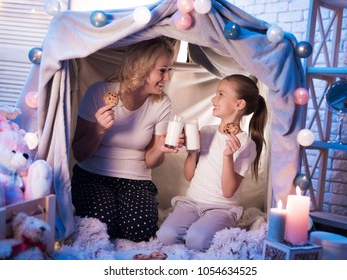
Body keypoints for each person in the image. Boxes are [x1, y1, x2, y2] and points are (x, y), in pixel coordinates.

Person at [71, 37, 183, 242]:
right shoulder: (100, 92)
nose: (167, 78)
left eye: (169, 70)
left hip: (136, 180)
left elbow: (151, 161)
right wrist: (99, 129)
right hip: (92, 175)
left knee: (140, 231)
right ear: (142, 68)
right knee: (101, 224)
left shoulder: (161, 103)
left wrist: (159, 148)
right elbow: (78, 153)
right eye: (162, 70)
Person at [156, 74, 268, 251]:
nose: (213, 99)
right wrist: (193, 151)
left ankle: (205, 228)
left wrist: (228, 156)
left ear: (239, 104)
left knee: (197, 240)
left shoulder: (246, 144)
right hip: (192, 202)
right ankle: (195, 226)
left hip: (220, 208)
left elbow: (228, 191)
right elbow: (189, 175)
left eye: (221, 94)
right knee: (165, 236)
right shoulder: (206, 132)